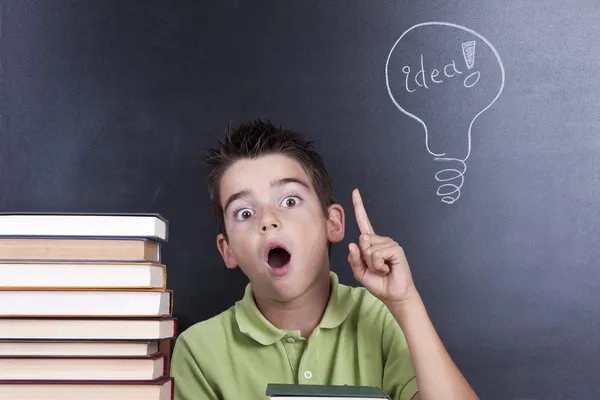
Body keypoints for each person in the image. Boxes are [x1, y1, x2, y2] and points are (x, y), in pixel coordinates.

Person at [170, 119, 478, 400]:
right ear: (227, 250)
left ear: (333, 223)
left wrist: (405, 302)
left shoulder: (382, 319)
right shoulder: (198, 351)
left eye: (289, 200)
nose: (267, 220)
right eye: (245, 213)